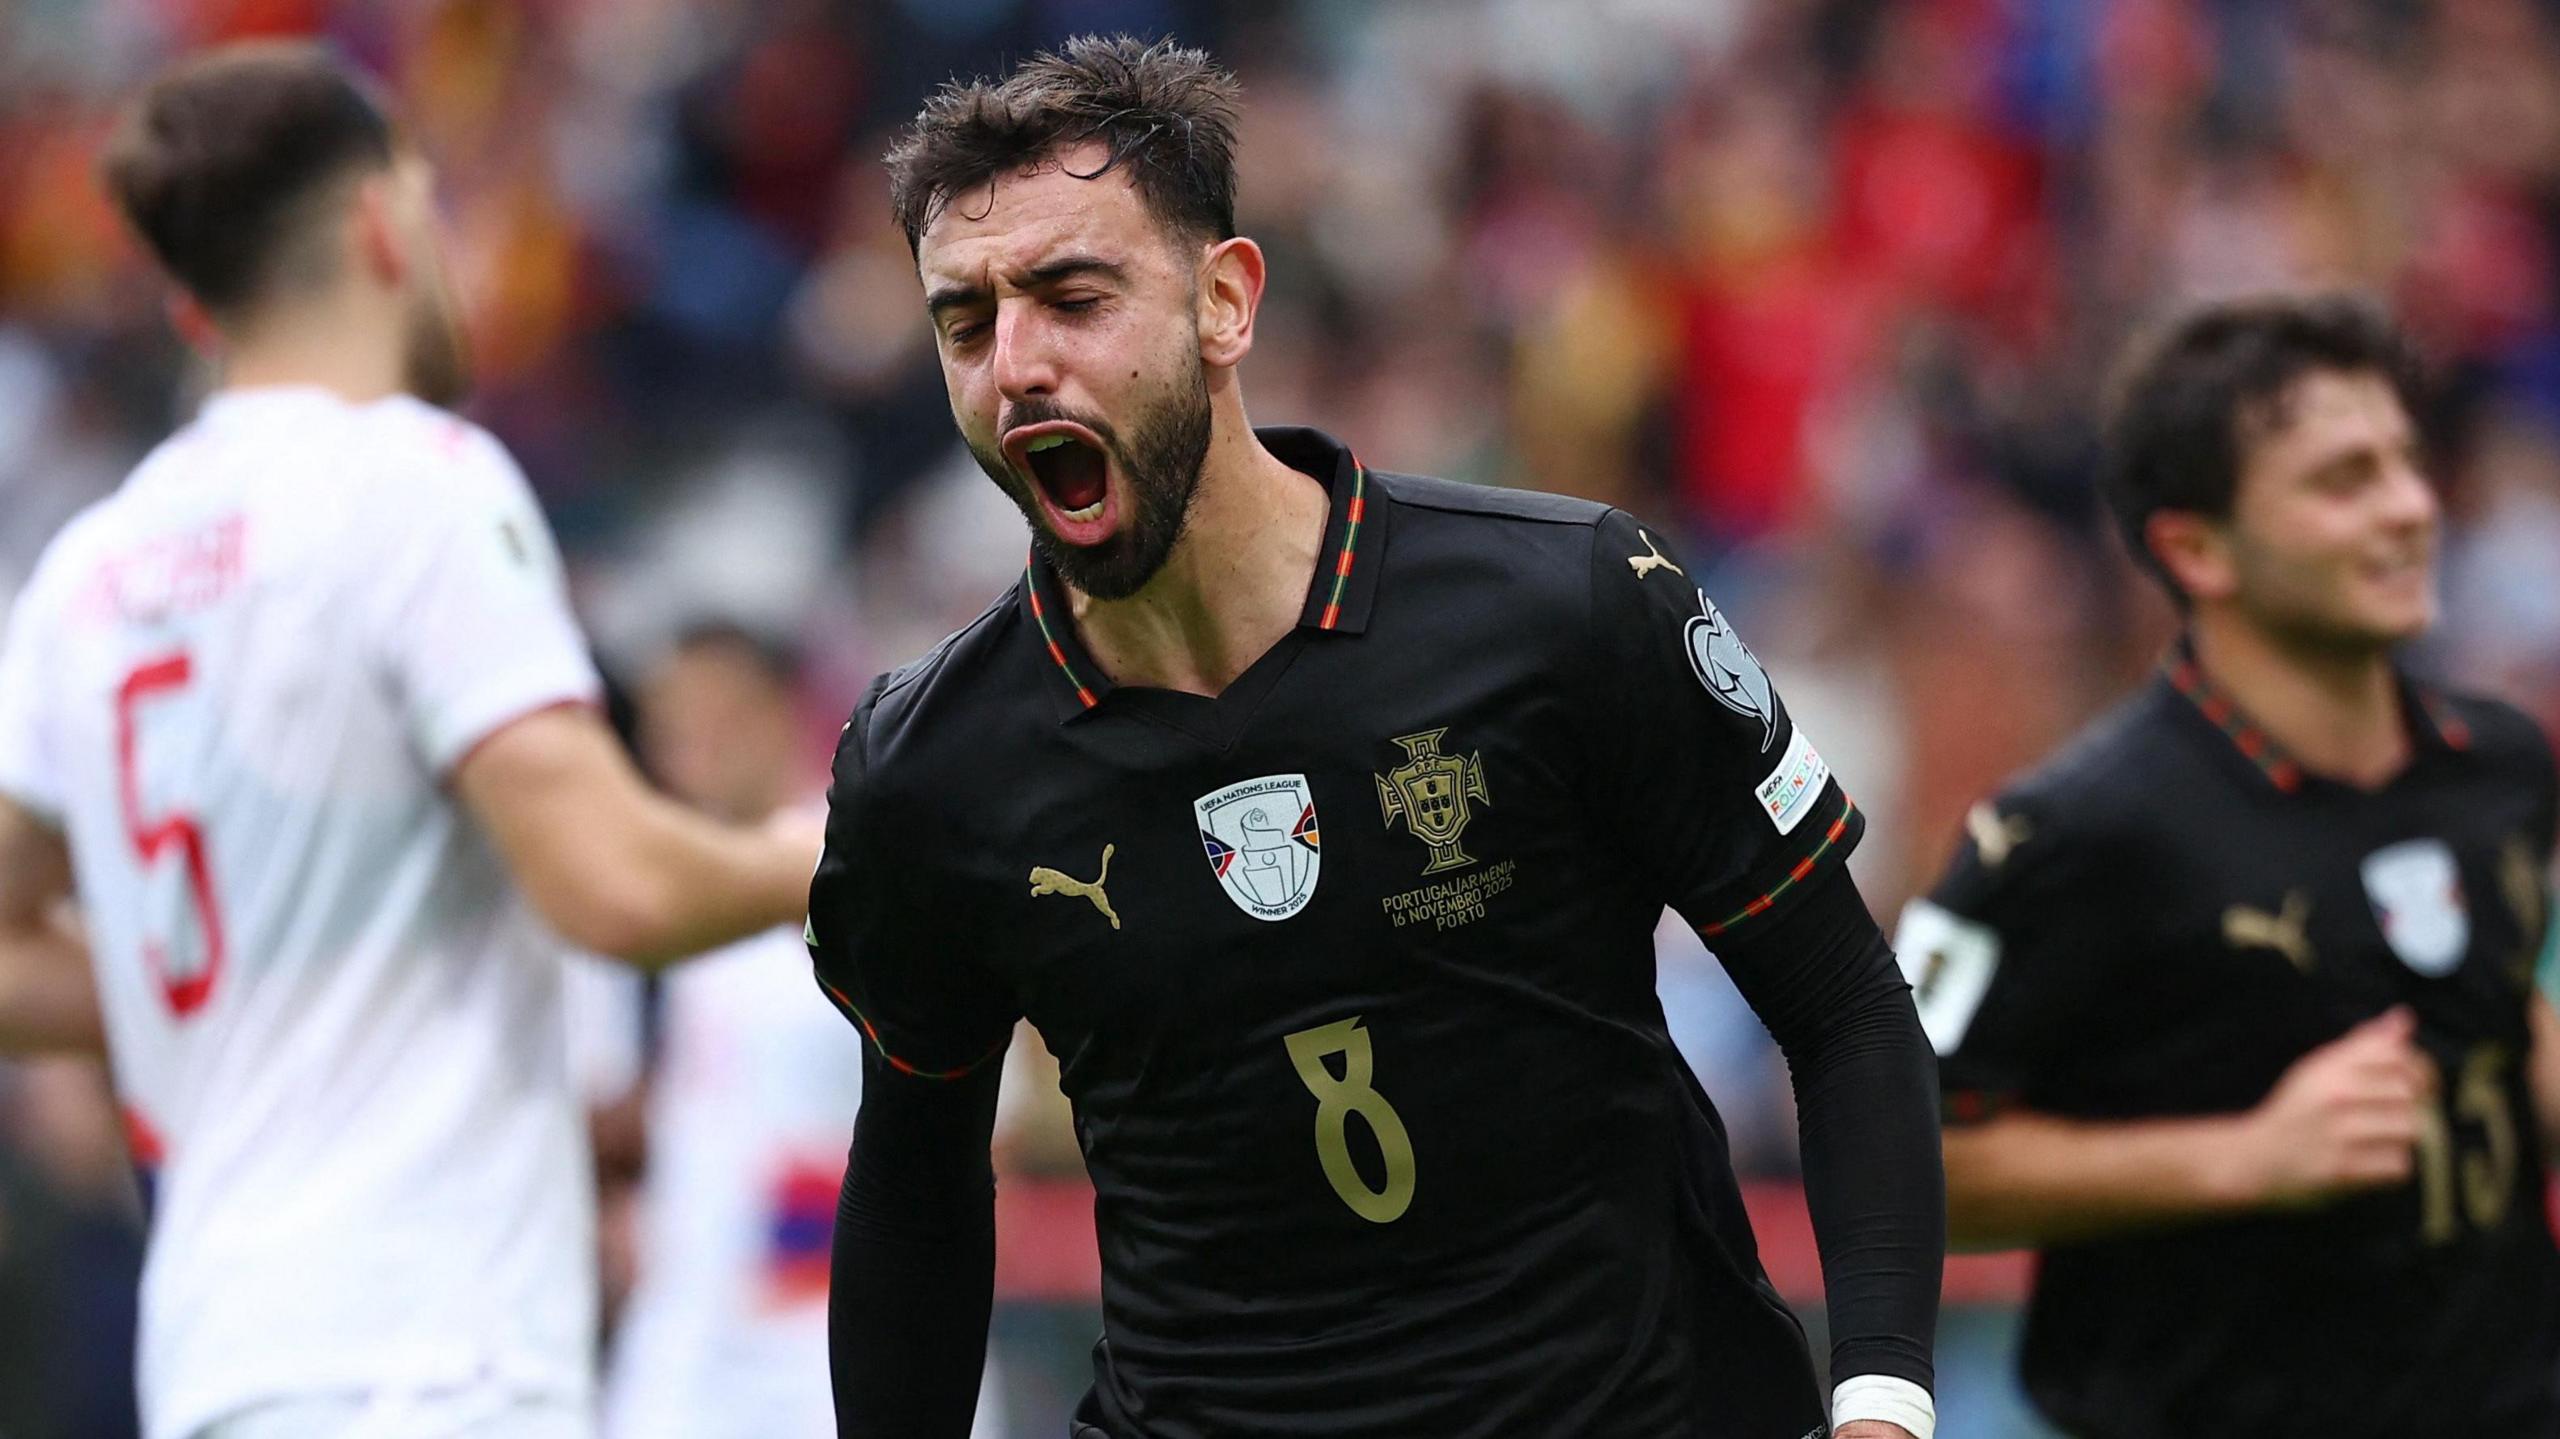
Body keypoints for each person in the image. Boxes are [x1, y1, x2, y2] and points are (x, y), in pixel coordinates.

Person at [809, 36, 1943, 1439]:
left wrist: (1883, 1400)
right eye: (966, 321)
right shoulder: (929, 767)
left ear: (1225, 302)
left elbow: (1842, 999)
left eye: (1072, 296)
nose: (1016, 365)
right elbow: (916, 1176)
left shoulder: (1564, 603)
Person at [0, 42, 820, 1439]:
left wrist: (229, 973)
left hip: (216, 1363)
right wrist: (842, 845)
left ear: (194, 300)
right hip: (433, 1361)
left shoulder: (91, 564)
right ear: (386, 221)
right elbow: (613, 885)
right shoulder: (417, 485)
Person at [1898, 294, 2560, 1438]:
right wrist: (2242, 1158)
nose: (2409, 509)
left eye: (2407, 462)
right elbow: (1886, 1157)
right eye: (2342, 480)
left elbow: (2485, 1017)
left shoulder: (2497, 763)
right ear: (2194, 547)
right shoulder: (2071, 833)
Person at [600, 622, 1005, 1439]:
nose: (695, 751)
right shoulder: (642, 908)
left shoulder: (861, 876)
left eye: (721, 720)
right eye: (676, 728)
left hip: (830, 1336)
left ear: (783, 713)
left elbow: (990, 1107)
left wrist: (796, 1223)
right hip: (684, 1339)